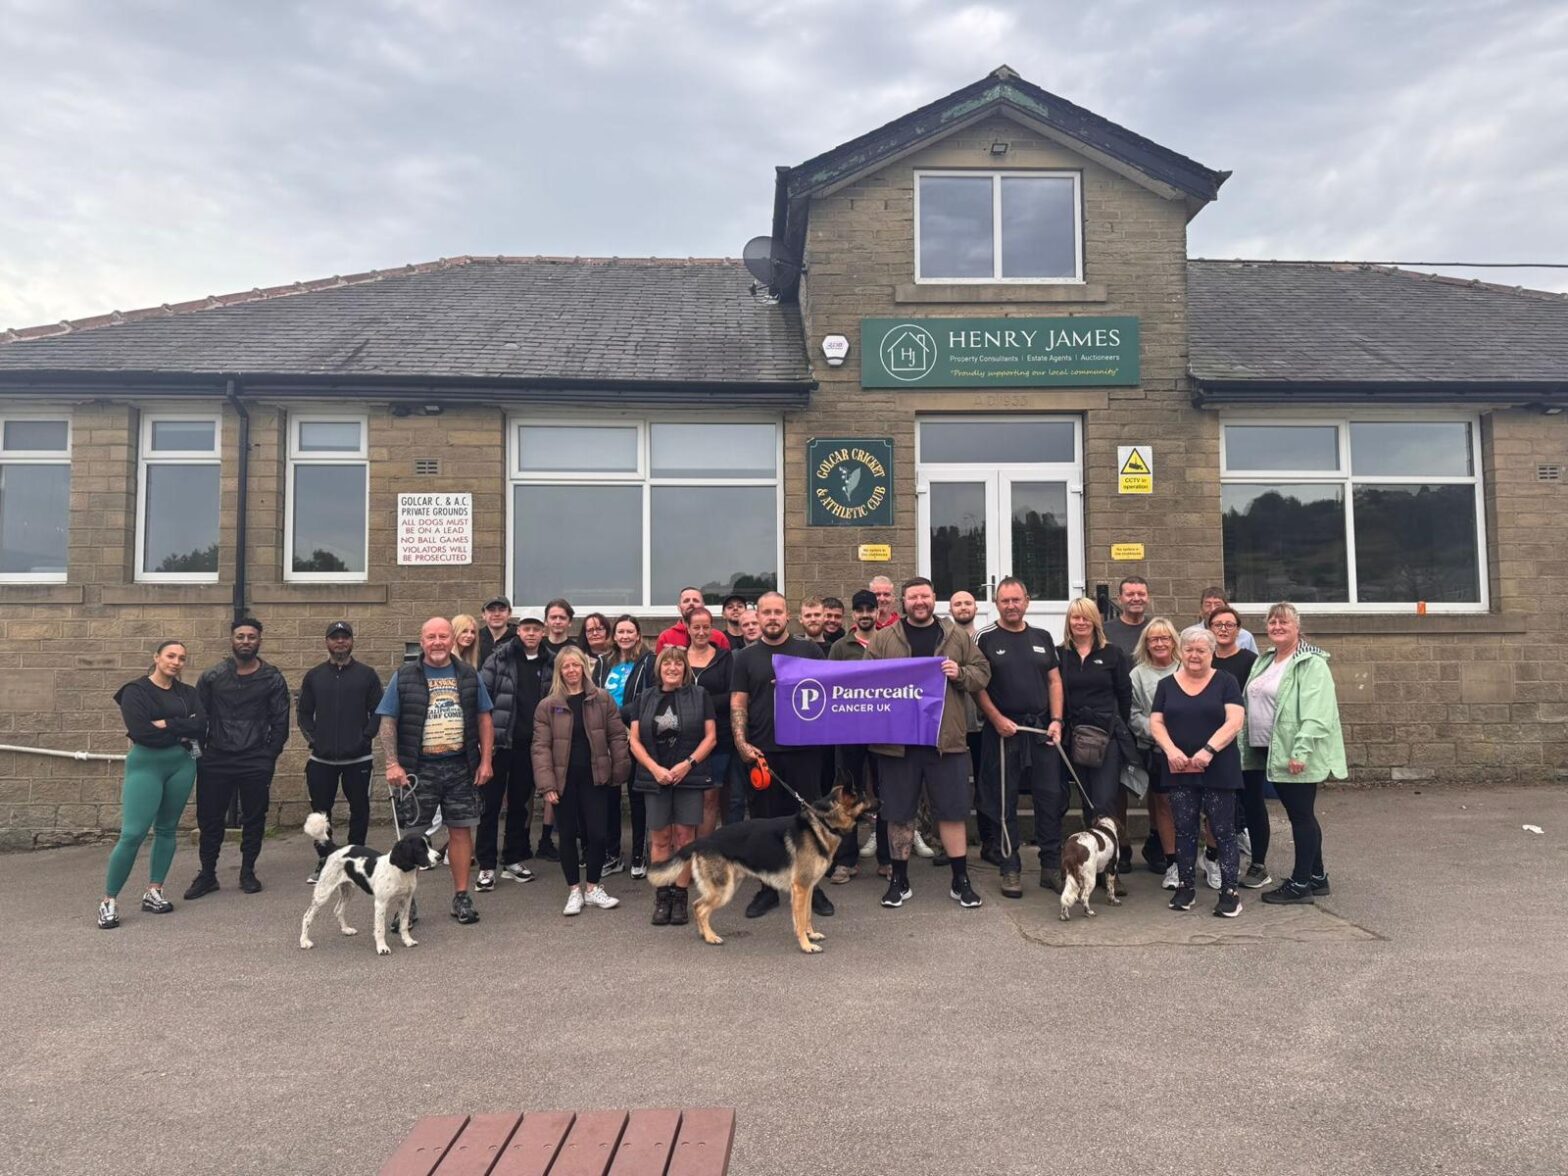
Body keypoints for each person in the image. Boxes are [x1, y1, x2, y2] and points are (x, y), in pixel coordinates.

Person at [866, 577, 991, 910]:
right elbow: (863, 683)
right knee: (898, 813)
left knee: (952, 812)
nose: (919, 602)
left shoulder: (956, 636)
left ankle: (960, 879)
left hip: (944, 740)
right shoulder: (883, 638)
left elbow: (982, 673)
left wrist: (959, 673)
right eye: (912, 597)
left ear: (934, 597)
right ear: (903, 602)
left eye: (924, 595)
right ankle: (899, 879)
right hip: (898, 743)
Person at [375, 616, 495, 926]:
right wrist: (392, 763)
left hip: (460, 767)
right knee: (413, 837)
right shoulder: (403, 676)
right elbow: (388, 721)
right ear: (422, 641)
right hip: (418, 770)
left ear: (452, 640)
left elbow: (484, 719)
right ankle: (406, 904)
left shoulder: (469, 675)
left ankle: (461, 897)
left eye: (443, 636)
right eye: (432, 637)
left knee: (460, 831)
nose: (438, 642)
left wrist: (485, 761)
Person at [729, 590, 833, 919]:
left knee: (810, 822)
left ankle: (813, 886)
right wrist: (742, 744)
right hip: (763, 752)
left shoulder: (809, 650)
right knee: (764, 824)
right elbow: (738, 703)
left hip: (804, 750)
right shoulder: (745, 658)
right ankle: (768, 889)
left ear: (788, 615)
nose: (772, 618)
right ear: (756, 618)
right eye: (766, 612)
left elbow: (828, 693)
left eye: (778, 612)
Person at [1243, 603, 1347, 905]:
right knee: (1301, 814)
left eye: (1283, 622)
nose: (1277, 627)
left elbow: (1317, 713)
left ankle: (1300, 884)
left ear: (1297, 627)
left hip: (1294, 752)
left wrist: (1300, 750)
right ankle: (1317, 876)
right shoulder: (1266, 660)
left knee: (1300, 816)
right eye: (1272, 622)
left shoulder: (1311, 663)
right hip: (1267, 749)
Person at [99, 640, 206, 929]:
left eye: (182, 658)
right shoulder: (135, 691)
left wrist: (166, 724)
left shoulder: (188, 693)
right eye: (170, 656)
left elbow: (201, 726)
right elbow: (141, 732)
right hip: (146, 765)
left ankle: (154, 890)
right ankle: (109, 900)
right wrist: (180, 727)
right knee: (133, 834)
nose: (176, 662)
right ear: (156, 657)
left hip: (182, 764)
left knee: (167, 829)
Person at [184, 617, 290, 900]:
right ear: (232, 640)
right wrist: (199, 756)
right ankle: (207, 874)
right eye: (241, 636)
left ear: (259, 640)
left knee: (254, 818)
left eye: (252, 637)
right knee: (209, 819)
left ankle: (247, 871)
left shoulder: (272, 678)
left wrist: (269, 756)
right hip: (215, 758)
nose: (246, 641)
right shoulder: (213, 676)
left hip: (255, 759)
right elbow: (196, 719)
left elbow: (281, 721)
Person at [975, 578, 1065, 899]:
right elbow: (977, 686)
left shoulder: (1042, 637)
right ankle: (1009, 866)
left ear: (1027, 601)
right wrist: (996, 719)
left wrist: (1056, 720)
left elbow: (1054, 681)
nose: (1011, 605)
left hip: (1041, 731)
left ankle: (1051, 867)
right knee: (1004, 802)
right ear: (996, 603)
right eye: (1004, 601)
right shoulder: (984, 638)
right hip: (1002, 733)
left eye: (1016, 599)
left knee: (1050, 798)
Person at [1150, 625, 1247, 918]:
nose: (1194, 655)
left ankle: (1229, 892)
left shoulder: (1226, 681)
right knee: (1185, 829)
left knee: (1222, 830)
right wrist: (1171, 751)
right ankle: (1185, 886)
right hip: (1179, 767)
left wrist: (1208, 751)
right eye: (1189, 649)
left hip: (1218, 765)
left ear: (1212, 653)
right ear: (1181, 651)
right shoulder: (1166, 685)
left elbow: (1234, 721)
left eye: (1201, 650)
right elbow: (1156, 722)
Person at [531, 645, 631, 915]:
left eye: (576, 665)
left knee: (598, 834)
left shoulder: (602, 699)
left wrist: (618, 772)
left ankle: (594, 888)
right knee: (567, 837)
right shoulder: (548, 706)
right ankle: (574, 890)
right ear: (559, 671)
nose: (572, 671)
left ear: (584, 668)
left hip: (596, 777)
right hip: (563, 781)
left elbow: (617, 736)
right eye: (566, 666)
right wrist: (547, 785)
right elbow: (540, 748)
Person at [628, 647, 718, 926]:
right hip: (655, 778)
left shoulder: (700, 696)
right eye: (667, 663)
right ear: (659, 668)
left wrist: (687, 764)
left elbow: (711, 738)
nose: (672, 668)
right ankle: (662, 895)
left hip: (688, 777)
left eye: (678, 663)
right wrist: (654, 769)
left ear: (684, 668)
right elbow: (634, 740)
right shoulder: (644, 698)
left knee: (684, 838)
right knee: (660, 840)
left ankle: (680, 896)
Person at [297, 621, 383, 884]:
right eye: (335, 638)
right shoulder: (314, 676)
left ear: (352, 641)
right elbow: (303, 713)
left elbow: (378, 712)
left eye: (345, 637)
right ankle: (325, 859)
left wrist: (365, 738)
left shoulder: (367, 675)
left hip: (358, 758)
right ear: (327, 642)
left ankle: (355, 858)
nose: (340, 642)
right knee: (320, 813)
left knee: (360, 808)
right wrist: (314, 739)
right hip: (322, 759)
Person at [476, 614, 553, 890]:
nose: (531, 633)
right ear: (518, 631)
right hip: (498, 744)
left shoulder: (550, 662)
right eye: (526, 629)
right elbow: (481, 697)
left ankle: (512, 860)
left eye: (536, 629)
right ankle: (486, 866)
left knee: (519, 805)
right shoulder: (499, 658)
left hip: (529, 745)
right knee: (491, 806)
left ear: (543, 632)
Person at [1057, 598, 1134, 840]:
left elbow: (1124, 695)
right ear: (1069, 621)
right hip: (1075, 736)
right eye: (1075, 617)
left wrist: (1116, 724)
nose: (1081, 622)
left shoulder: (1112, 654)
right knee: (1087, 799)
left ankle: (1110, 864)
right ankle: (1092, 861)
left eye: (1086, 617)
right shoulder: (1059, 655)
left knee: (1104, 801)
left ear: (1096, 620)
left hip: (1106, 737)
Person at [1208, 604, 1270, 889]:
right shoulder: (1204, 659)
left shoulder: (1251, 660)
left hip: (1245, 742)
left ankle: (1258, 864)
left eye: (1229, 625)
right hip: (1214, 743)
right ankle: (1221, 858)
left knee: (1253, 802)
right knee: (1221, 803)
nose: (1223, 629)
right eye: (1218, 624)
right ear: (1209, 628)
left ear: (1238, 630)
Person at [832, 590, 889, 879]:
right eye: (860, 610)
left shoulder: (891, 641)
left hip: (883, 731)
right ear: (852, 614)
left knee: (885, 792)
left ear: (879, 611)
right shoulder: (841, 647)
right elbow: (829, 686)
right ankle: (846, 859)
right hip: (849, 731)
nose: (865, 614)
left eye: (871, 609)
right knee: (848, 795)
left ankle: (887, 859)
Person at [594, 615, 655, 875]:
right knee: (609, 796)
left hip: (635, 734)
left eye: (630, 631)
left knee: (637, 795)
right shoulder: (602, 663)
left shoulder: (648, 662)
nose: (625, 636)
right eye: (621, 631)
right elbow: (593, 694)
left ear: (638, 635)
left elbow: (649, 696)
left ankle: (639, 854)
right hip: (606, 737)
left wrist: (617, 716)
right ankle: (612, 853)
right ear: (614, 636)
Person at [1129, 618, 1181, 886]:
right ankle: (1172, 862)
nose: (1160, 643)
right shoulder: (1138, 675)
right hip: (1157, 751)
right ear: (1146, 644)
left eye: (1165, 638)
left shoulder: (1187, 667)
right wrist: (1157, 731)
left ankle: (1201, 856)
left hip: (1192, 750)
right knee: (1163, 805)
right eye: (1153, 639)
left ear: (1174, 641)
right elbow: (1133, 714)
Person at [949, 588, 994, 860]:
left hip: (980, 725)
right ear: (950, 609)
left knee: (985, 784)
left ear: (976, 608)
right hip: (951, 726)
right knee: (951, 787)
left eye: (968, 603)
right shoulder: (943, 640)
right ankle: (948, 844)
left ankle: (989, 841)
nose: (963, 607)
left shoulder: (984, 641)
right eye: (957, 603)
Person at [683, 606, 733, 837]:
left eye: (706, 627)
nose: (701, 632)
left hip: (718, 738)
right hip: (683, 739)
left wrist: (698, 703)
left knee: (710, 797)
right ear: (687, 627)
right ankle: (685, 852)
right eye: (696, 627)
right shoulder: (678, 659)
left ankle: (703, 852)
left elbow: (731, 696)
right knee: (685, 797)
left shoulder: (725, 658)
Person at [655, 586, 732, 652]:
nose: (691, 603)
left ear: (703, 605)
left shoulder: (719, 637)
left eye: (695, 600)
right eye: (686, 601)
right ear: (679, 607)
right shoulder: (666, 637)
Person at [1199, 587, 1257, 654]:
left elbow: (1256, 663)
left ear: (1226, 607)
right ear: (1201, 608)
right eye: (1208, 605)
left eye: (1218, 605)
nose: (1213, 609)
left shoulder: (1245, 637)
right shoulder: (1191, 634)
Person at [1103, 576, 1151, 655]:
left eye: (1141, 594)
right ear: (1120, 599)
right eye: (1130, 594)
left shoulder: (1157, 629)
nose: (1136, 599)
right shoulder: (1105, 631)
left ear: (1148, 598)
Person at [478, 595, 518, 664]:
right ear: (483, 614)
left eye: (502, 610)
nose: (497, 614)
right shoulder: (476, 638)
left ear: (509, 613)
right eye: (492, 610)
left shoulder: (519, 637)